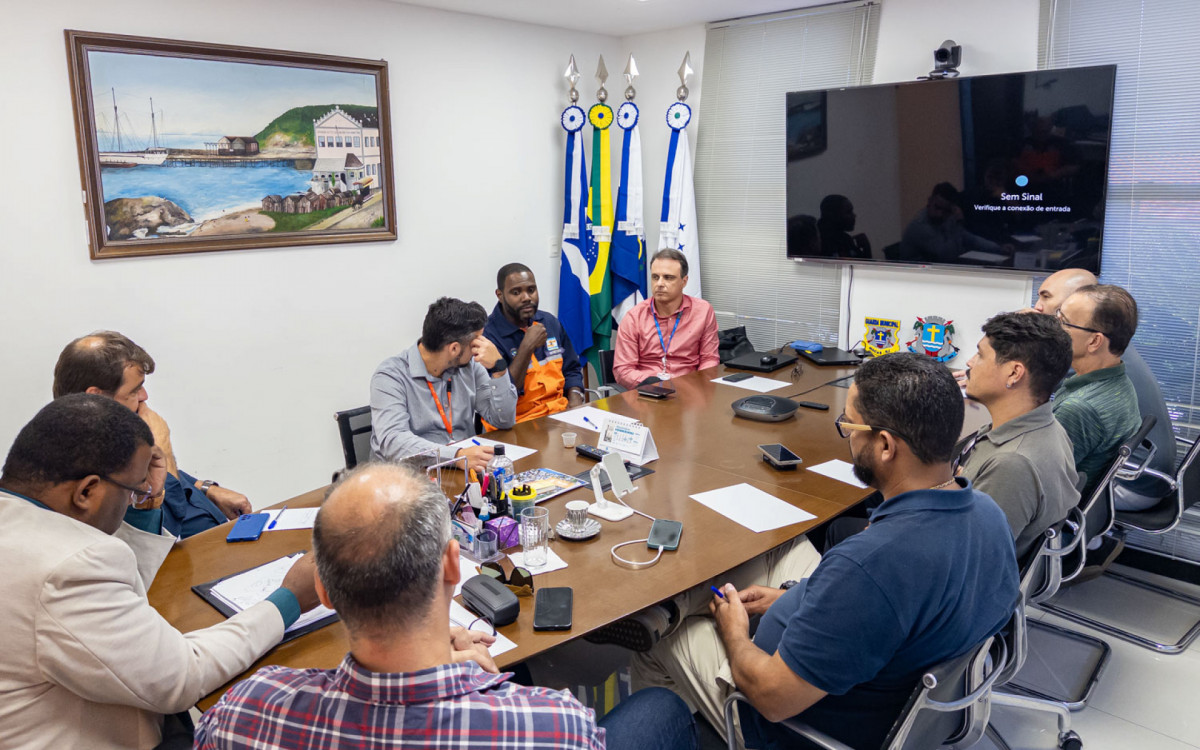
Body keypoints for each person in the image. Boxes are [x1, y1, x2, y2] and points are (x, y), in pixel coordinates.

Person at [631, 353, 1019, 749]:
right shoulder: (988, 514)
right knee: (782, 545)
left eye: (849, 425)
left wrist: (735, 634)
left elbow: (772, 697)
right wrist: (790, 599)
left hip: (790, 725)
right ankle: (676, 610)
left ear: (885, 445)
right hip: (877, 674)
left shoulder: (869, 566)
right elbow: (881, 609)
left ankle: (670, 718)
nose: (847, 436)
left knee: (656, 642)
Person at [195, 461, 699, 750]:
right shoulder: (556, 726)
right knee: (662, 708)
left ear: (322, 594)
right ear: (455, 566)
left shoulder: (244, 710)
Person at [0, 394, 319, 750]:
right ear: (87, 490)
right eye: (131, 491)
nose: (133, 498)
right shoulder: (68, 568)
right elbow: (182, 676)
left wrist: (146, 501)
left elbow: (124, 593)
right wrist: (289, 599)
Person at [53, 331, 251, 538]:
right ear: (96, 396)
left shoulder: (115, 433)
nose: (144, 396)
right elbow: (165, 537)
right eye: (134, 391)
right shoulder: (88, 471)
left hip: (220, 535)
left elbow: (166, 477)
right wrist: (161, 446)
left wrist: (204, 488)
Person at [961, 312, 1079, 558]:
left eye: (980, 355)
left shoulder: (1012, 464)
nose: (970, 363)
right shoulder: (1048, 427)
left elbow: (968, 559)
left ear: (1014, 373)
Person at [371, 297, 517, 474]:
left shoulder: (470, 367)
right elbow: (394, 441)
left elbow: (503, 420)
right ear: (454, 349)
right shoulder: (390, 376)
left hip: (461, 471)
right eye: (476, 342)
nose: (481, 347)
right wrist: (457, 455)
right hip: (409, 476)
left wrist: (499, 368)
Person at [1052, 284, 1142, 500]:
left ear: (1094, 341)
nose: (1053, 327)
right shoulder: (1118, 380)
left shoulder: (1079, 409)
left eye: (1063, 322)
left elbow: (1037, 482)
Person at [484, 263, 585, 422]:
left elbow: (571, 369)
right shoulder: (488, 337)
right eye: (516, 292)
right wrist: (527, 346)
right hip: (518, 423)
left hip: (560, 414)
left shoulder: (549, 322)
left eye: (531, 290)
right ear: (500, 295)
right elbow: (504, 397)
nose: (526, 298)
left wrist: (575, 401)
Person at [613, 249, 719, 389]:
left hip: (690, 390)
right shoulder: (634, 317)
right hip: (648, 391)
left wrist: (699, 385)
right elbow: (623, 370)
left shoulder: (703, 311)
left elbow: (709, 359)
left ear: (684, 281)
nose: (660, 284)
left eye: (668, 278)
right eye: (655, 277)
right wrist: (653, 384)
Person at [900, 182, 1004, 263]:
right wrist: (958, 222)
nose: (940, 214)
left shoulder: (946, 217)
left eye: (946, 211)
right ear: (930, 201)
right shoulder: (920, 226)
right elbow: (947, 256)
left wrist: (998, 248)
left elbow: (969, 239)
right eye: (937, 207)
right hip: (918, 277)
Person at [816, 194, 870, 259]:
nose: (854, 215)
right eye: (848, 212)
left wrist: (866, 248)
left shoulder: (845, 239)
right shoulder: (816, 241)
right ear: (833, 214)